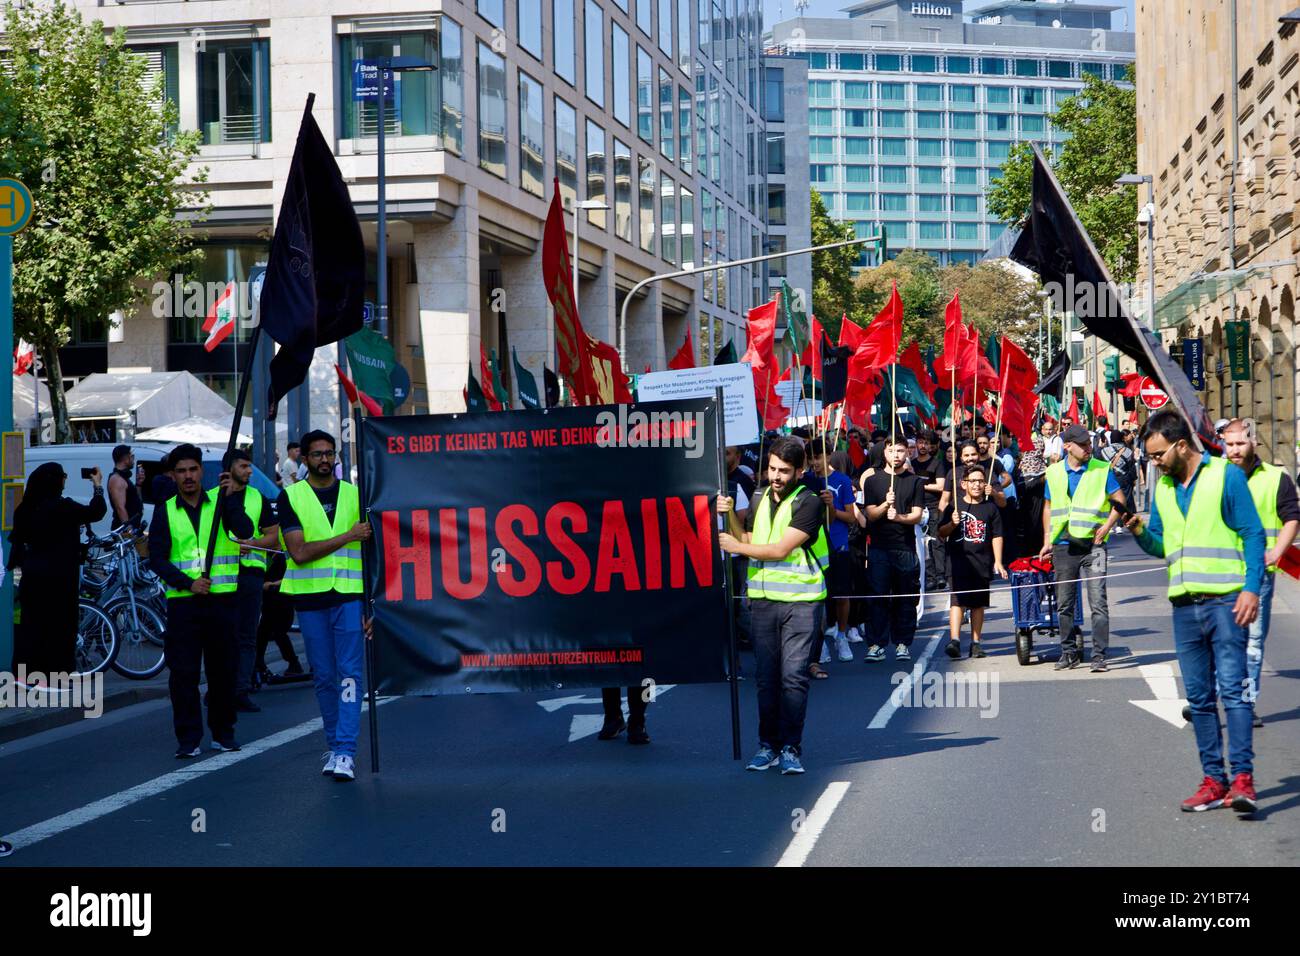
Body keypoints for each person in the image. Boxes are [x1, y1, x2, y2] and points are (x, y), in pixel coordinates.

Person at [1123, 410, 1264, 814]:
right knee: (1200, 700)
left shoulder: (1225, 476)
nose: (1154, 463)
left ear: (1181, 445)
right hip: (1184, 606)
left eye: (1158, 454)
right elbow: (1162, 547)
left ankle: (1242, 779)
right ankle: (1213, 780)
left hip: (1226, 601)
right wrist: (1137, 530)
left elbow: (1253, 533)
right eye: (1150, 457)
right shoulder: (1164, 489)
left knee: (1234, 694)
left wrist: (1251, 588)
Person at [718, 436, 829, 775]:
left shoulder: (809, 502)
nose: (776, 476)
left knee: (793, 679)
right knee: (766, 679)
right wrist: (729, 518)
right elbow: (749, 540)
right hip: (763, 601)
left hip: (801, 602)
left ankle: (791, 748)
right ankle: (768, 746)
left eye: (784, 471)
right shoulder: (758, 495)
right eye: (772, 469)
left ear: (800, 470)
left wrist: (734, 543)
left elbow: (779, 549)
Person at [278, 429, 371, 782]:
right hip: (311, 598)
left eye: (329, 453)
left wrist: (371, 606)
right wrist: (348, 535)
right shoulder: (291, 497)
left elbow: (373, 554)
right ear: (304, 458)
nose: (325, 459)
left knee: (350, 674)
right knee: (324, 678)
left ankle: (345, 751)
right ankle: (335, 746)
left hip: (349, 596)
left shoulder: (355, 495)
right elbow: (299, 553)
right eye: (317, 454)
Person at [148, 444, 252, 758]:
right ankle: (189, 738)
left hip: (222, 602)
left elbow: (245, 530)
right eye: (181, 471)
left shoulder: (221, 502)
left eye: (193, 469)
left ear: (202, 471)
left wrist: (232, 498)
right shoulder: (165, 509)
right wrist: (189, 583)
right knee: (183, 674)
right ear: (174, 475)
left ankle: (223, 732)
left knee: (223, 672)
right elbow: (158, 559)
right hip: (184, 604)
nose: (188, 476)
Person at [1221, 419, 1300, 728]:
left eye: (1240, 443)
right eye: (1229, 444)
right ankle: (1210, 696)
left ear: (1253, 442)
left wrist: (1279, 551)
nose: (1234, 450)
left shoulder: (1276, 478)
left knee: (1253, 643)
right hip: (1221, 571)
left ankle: (1245, 704)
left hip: (1259, 574)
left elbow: (1292, 518)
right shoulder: (1216, 476)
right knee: (1221, 639)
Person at [1037, 423, 1126, 672]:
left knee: (1098, 601)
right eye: (1084, 444)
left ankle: (1099, 656)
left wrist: (1107, 526)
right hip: (1064, 547)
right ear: (1068, 446)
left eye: (1090, 443)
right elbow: (1048, 506)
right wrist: (1047, 540)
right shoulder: (1053, 472)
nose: (1090, 448)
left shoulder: (1100, 469)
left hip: (1094, 547)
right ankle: (1068, 653)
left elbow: (1120, 501)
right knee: (1064, 603)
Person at [7, 463, 107, 677]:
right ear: (55, 481)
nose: (65, 481)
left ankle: (27, 673)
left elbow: (18, 541)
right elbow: (96, 511)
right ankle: (56, 674)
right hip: (60, 577)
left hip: (32, 575)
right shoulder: (64, 508)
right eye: (63, 476)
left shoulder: (25, 508)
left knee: (31, 625)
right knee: (59, 626)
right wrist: (97, 485)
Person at [222, 449, 281, 714]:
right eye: (244, 466)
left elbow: (274, 538)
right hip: (221, 575)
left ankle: (240, 691)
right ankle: (219, 690)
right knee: (222, 636)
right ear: (230, 468)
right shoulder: (213, 498)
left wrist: (253, 543)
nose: (249, 471)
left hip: (251, 575)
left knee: (246, 636)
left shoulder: (258, 498)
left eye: (249, 466)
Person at [858, 438, 925, 662]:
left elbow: (916, 514)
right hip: (878, 548)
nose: (896, 455)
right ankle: (876, 643)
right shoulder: (873, 481)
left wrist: (898, 516)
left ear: (907, 453)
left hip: (905, 548)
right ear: (884, 452)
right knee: (877, 597)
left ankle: (903, 643)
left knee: (905, 598)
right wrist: (886, 505)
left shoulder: (914, 481)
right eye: (891, 450)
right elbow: (870, 515)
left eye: (900, 450)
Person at [939, 464, 1007, 658]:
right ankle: (955, 640)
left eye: (980, 481)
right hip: (958, 561)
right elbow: (941, 533)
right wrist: (952, 523)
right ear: (963, 484)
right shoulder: (954, 505)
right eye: (972, 481)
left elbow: (997, 535)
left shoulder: (990, 507)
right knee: (957, 600)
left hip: (982, 561)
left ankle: (976, 642)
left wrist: (998, 561)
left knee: (978, 603)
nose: (976, 485)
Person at [805, 436, 858, 674]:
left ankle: (842, 635)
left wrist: (830, 507)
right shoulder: (805, 481)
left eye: (818, 457)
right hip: (813, 548)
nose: (815, 463)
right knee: (817, 599)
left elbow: (851, 517)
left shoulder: (842, 481)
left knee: (842, 595)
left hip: (838, 544)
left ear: (829, 455)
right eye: (811, 458)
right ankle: (819, 644)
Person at [254, 550, 307, 686]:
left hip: (283, 598)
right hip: (269, 601)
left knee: (278, 632)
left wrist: (271, 585)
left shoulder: (284, 556)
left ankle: (293, 664)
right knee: (263, 633)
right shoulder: (266, 556)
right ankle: (259, 665)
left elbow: (292, 575)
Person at [913, 430, 948, 591]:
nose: (923, 446)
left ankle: (941, 576)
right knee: (922, 544)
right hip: (917, 508)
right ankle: (929, 577)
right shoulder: (911, 464)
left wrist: (921, 484)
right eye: (920, 442)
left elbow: (940, 486)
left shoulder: (937, 463)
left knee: (936, 543)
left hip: (933, 507)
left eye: (926, 443)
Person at [107, 444, 144, 533]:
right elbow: (120, 508)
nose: (133, 460)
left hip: (132, 528)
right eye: (132, 456)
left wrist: (139, 484)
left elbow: (136, 500)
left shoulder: (123, 478)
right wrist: (129, 531)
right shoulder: (117, 479)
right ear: (126, 458)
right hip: (124, 532)